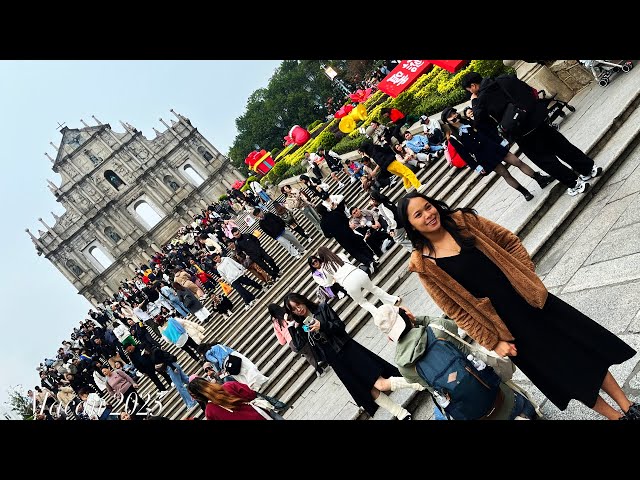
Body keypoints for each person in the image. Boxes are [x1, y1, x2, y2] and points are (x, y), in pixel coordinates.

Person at [397, 191, 639, 420]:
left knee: (586, 352)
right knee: (566, 374)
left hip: (536, 304)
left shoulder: (464, 221)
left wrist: (526, 277)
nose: (428, 214)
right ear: (411, 227)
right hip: (510, 330)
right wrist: (494, 342)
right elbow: (457, 311)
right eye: (418, 214)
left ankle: (628, 406)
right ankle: (616, 417)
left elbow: (509, 241)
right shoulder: (425, 266)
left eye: (427, 206)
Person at [373, 305, 539, 420]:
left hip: (466, 408)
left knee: (440, 413)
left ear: (390, 338)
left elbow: (423, 385)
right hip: (492, 386)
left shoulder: (403, 366)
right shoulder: (437, 329)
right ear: (407, 316)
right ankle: (524, 411)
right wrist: (417, 319)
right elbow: (451, 325)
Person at [461, 71, 603, 197]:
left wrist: (474, 101)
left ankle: (575, 184)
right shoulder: (504, 79)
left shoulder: (481, 100)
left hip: (522, 133)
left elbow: (480, 122)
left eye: (469, 90)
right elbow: (528, 90)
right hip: (537, 121)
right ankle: (589, 169)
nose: (471, 93)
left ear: (473, 86)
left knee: (546, 160)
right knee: (563, 146)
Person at [284, 292, 424, 419]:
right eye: (294, 309)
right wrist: (291, 327)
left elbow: (340, 326)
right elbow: (299, 346)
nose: (298, 309)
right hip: (336, 361)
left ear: (302, 300)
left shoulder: (322, 308)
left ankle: (419, 384)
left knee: (380, 384)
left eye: (298, 305)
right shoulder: (302, 327)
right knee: (368, 391)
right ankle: (401, 414)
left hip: (348, 349)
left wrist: (323, 326)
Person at [441, 106, 553, 202]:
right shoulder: (453, 138)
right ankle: (525, 192)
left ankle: (540, 179)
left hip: (493, 146)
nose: (454, 116)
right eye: (450, 116)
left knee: (517, 161)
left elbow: (487, 132)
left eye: (454, 113)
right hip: (483, 156)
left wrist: (500, 140)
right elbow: (465, 155)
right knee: (505, 174)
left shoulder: (469, 122)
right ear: (446, 122)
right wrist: (477, 167)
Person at [315, 247, 400, 316]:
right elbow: (348, 263)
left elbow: (329, 282)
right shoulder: (340, 255)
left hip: (348, 282)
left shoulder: (325, 268)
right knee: (374, 289)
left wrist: (335, 278)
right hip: (358, 273)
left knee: (362, 302)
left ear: (321, 257)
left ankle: (379, 315)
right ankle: (393, 299)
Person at [316, 197, 377, 272]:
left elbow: (327, 235)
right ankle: (372, 259)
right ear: (325, 208)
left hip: (342, 239)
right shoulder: (335, 213)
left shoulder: (322, 224)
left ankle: (369, 262)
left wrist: (334, 233)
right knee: (360, 246)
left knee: (354, 252)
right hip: (349, 232)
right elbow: (345, 219)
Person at [268, 303, 325, 377]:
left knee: (307, 354)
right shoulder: (287, 313)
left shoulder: (276, 324)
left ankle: (318, 369)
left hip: (292, 343)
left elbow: (282, 342)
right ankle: (324, 361)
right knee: (312, 346)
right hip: (300, 334)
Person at [197, 341, 269, 392]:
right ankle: (259, 380)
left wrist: (219, 371)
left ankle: (253, 388)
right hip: (234, 355)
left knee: (239, 375)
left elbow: (215, 361)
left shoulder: (207, 354)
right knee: (248, 367)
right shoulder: (217, 346)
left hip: (226, 363)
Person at [187, 377, 267, 420]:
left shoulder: (209, 412)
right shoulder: (229, 386)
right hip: (257, 415)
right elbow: (251, 394)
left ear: (197, 397)